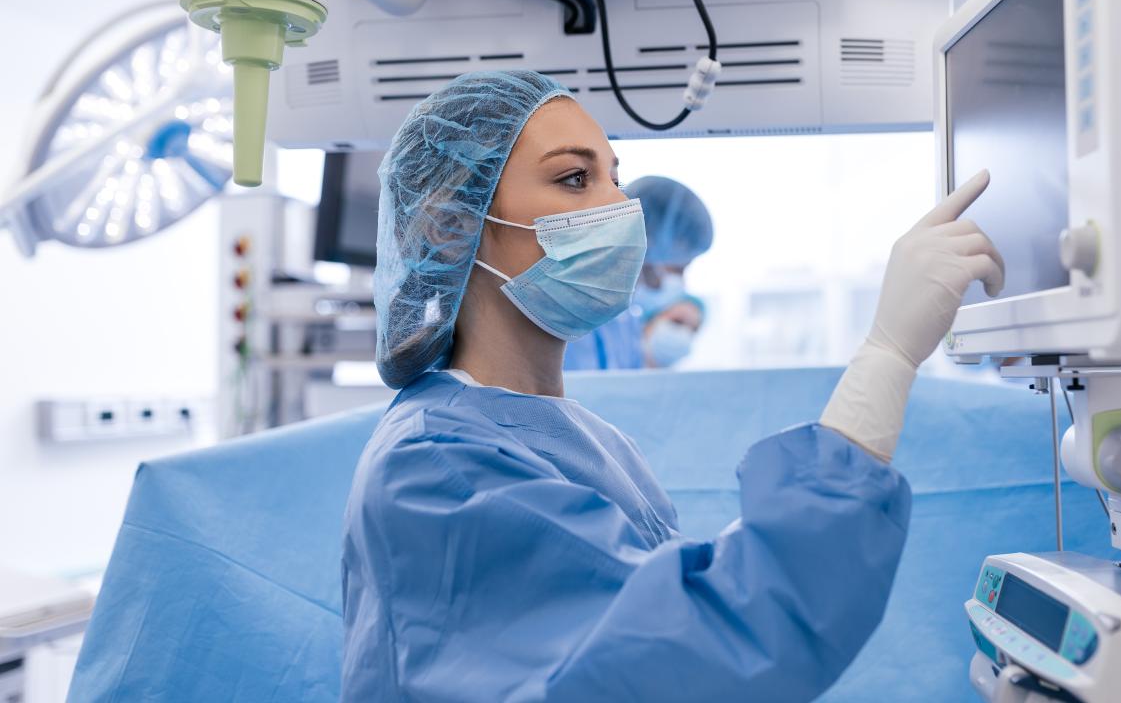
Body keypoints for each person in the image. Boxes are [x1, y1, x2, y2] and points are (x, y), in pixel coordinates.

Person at [341, 70, 1005, 702]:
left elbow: (669, 603)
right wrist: (886, 357)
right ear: (452, 224)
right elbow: (702, 649)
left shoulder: (584, 438)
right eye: (575, 178)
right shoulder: (436, 469)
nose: (623, 209)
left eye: (614, 177)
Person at [563, 175, 714, 370]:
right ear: (646, 242)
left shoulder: (624, 322)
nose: (678, 281)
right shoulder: (569, 309)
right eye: (677, 268)